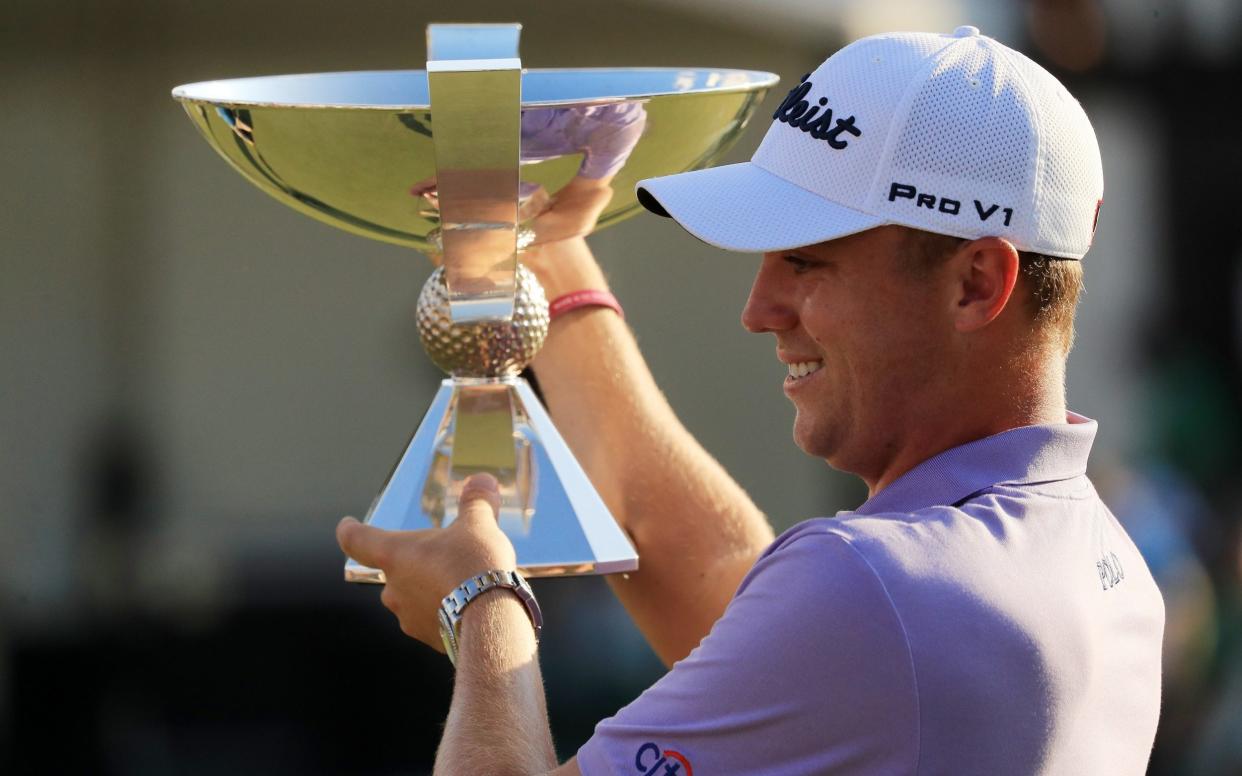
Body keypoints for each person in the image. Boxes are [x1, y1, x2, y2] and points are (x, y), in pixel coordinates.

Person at [337, 26, 1165, 775]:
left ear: (977, 282)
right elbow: (708, 574)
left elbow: (820, 612)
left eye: (805, 261)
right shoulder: (1108, 566)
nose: (757, 308)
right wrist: (547, 249)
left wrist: (481, 609)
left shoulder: (870, 589)